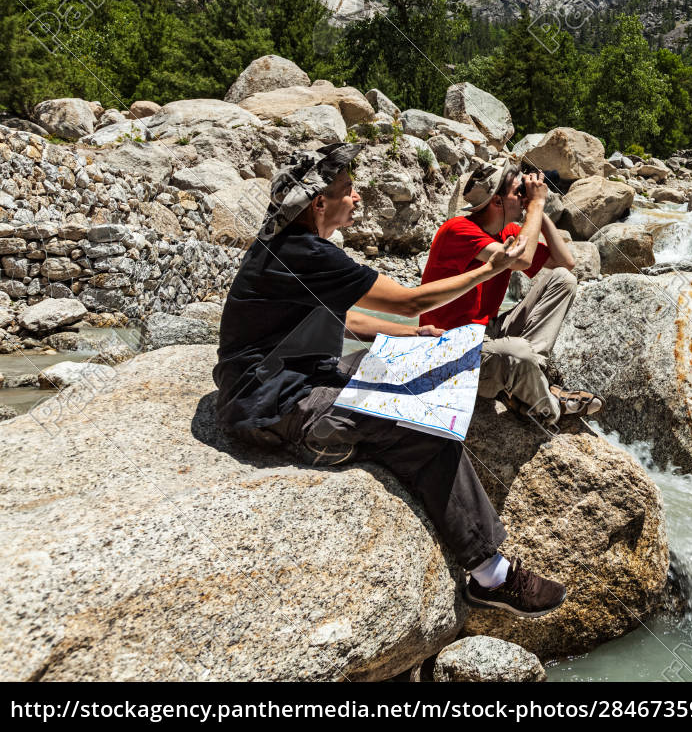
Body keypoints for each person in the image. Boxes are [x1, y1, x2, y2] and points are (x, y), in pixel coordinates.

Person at [213, 143, 566, 619]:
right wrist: (489, 269)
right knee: (427, 429)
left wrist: (416, 335)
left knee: (411, 366)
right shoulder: (305, 251)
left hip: (291, 381)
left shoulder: (286, 246)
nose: (356, 198)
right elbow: (405, 301)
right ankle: (491, 574)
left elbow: (353, 321)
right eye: (347, 190)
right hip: (280, 405)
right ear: (319, 203)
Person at [420, 160, 603, 423]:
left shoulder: (507, 231)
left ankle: (529, 375)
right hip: (452, 350)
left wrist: (537, 211)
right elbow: (520, 260)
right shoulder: (458, 230)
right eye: (519, 193)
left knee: (563, 279)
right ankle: (550, 407)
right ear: (497, 201)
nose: (525, 197)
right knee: (517, 353)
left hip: (488, 332)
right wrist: (537, 206)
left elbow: (566, 263)